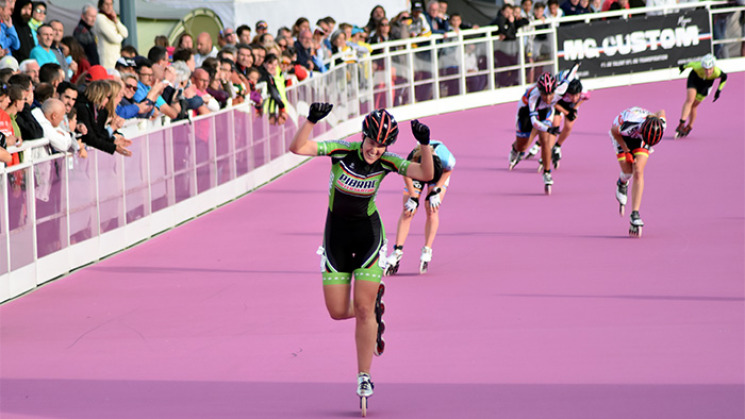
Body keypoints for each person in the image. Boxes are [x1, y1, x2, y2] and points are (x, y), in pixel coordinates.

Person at [289, 104, 434, 407]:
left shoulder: (388, 162)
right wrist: (312, 120)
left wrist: (424, 145)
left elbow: (425, 174)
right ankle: (374, 309)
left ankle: (364, 375)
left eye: (382, 145)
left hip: (368, 235)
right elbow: (298, 147)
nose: (375, 150)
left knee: (363, 310)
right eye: (372, 142)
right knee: (338, 312)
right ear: (363, 137)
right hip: (336, 237)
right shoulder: (342, 151)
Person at [385, 139, 455, 275]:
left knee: (431, 208)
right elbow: (405, 173)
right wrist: (412, 196)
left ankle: (427, 249)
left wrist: (436, 190)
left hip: (439, 174)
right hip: (417, 171)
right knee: (408, 211)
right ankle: (397, 251)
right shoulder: (414, 157)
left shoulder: (447, 159)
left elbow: (448, 171)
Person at [508, 71, 571, 194]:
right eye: (544, 94)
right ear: (539, 91)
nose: (548, 98)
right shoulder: (533, 97)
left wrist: (577, 65)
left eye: (550, 94)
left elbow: (570, 76)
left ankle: (547, 173)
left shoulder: (561, 88)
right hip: (526, 114)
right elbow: (534, 121)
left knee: (545, 140)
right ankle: (515, 149)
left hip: (544, 112)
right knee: (523, 146)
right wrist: (548, 128)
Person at [609, 106, 665, 237]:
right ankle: (622, 182)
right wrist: (626, 150)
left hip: (641, 137)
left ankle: (635, 213)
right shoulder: (629, 125)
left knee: (638, 171)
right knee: (628, 172)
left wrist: (653, 115)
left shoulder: (661, 124)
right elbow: (614, 131)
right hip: (622, 135)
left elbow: (661, 111)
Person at [526, 77, 590, 169]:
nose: (575, 98)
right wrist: (566, 112)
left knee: (568, 126)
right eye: (572, 96)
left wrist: (575, 108)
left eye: (577, 95)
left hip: (570, 107)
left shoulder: (584, 94)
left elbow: (582, 99)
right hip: (558, 105)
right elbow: (553, 103)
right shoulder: (560, 92)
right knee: (555, 126)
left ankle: (557, 146)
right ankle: (546, 148)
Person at [675, 53, 727, 138]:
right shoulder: (697, 66)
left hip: (706, 84)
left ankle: (689, 126)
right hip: (694, 79)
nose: (708, 72)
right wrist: (682, 67)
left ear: (713, 67)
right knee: (690, 100)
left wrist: (718, 90)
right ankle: (682, 123)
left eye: (710, 69)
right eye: (705, 69)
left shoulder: (717, 72)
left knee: (694, 106)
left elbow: (724, 77)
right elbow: (688, 64)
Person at [75, 79, 132, 156]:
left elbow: (99, 134)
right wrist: (114, 147)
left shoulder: (101, 111)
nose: (109, 100)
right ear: (100, 95)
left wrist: (114, 140)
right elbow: (91, 138)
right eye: (108, 97)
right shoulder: (82, 108)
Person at [94, 0, 128, 69]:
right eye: (106, 4)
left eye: (111, 4)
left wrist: (116, 21)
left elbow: (125, 33)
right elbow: (114, 39)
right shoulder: (100, 18)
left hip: (116, 58)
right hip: (107, 61)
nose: (109, 7)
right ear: (101, 5)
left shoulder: (111, 18)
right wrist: (120, 35)